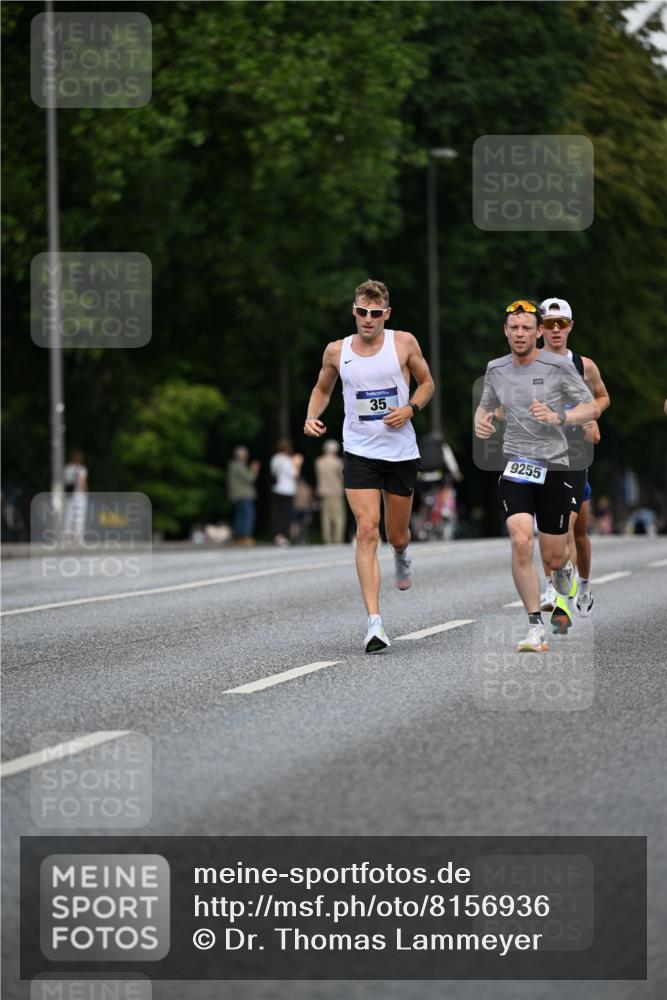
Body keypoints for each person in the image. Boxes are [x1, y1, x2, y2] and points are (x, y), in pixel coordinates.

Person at [304, 279, 434, 653]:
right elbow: (322, 389)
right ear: (354, 311)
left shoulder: (403, 342)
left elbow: (427, 384)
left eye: (376, 313)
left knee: (396, 533)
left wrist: (410, 409)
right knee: (365, 530)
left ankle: (401, 553)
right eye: (362, 312)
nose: (368, 319)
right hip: (359, 451)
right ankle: (374, 624)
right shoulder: (336, 350)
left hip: (400, 452)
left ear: (386, 315)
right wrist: (312, 416)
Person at [474, 300, 600, 653]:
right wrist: (481, 421)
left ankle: (564, 576)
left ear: (537, 332)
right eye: (514, 328)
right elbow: (487, 406)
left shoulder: (559, 367)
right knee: (520, 540)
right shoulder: (495, 369)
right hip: (517, 466)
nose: (519, 334)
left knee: (555, 557)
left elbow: (591, 405)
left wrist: (560, 418)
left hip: (557, 467)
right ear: (506, 331)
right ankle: (534, 627)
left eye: (526, 328)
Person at [537, 298, 610, 619]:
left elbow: (603, 396)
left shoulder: (584, 366)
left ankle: (584, 582)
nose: (555, 330)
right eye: (549, 324)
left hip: (576, 455)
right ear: (540, 328)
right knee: (554, 526)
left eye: (561, 324)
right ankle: (551, 588)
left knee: (578, 530)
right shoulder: (527, 363)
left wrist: (591, 415)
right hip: (542, 456)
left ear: (570, 327)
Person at [270, 440, 303, 546]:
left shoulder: (274, 459)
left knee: (279, 513)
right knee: (286, 514)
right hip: (287, 490)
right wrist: (298, 464)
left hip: (277, 488)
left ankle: (278, 535)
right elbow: (294, 474)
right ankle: (284, 536)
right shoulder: (287, 460)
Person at [227, 446, 260, 544]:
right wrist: (254, 469)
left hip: (237, 495)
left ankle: (238, 536)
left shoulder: (232, 466)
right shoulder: (239, 466)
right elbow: (250, 478)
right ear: (242, 456)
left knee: (240, 516)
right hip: (244, 495)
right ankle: (245, 536)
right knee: (248, 515)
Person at [315, 439, 346, 544]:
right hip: (336, 492)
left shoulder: (319, 462)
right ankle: (337, 539)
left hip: (323, 492)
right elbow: (342, 477)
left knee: (325, 518)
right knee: (339, 517)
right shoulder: (337, 462)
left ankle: (327, 540)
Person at [62, 449, 88, 544]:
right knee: (79, 516)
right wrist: (86, 492)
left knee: (68, 516)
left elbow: (64, 483)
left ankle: (67, 538)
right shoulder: (81, 469)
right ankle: (78, 538)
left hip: (68, 495)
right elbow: (82, 482)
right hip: (79, 495)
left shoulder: (67, 469)